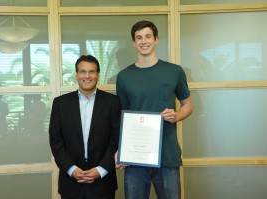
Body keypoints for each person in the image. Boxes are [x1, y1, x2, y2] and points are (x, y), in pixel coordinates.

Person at [116, 20, 193, 199]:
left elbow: (188, 104)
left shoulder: (174, 71)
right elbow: (121, 117)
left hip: (167, 155)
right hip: (135, 157)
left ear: (156, 39)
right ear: (134, 43)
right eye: (139, 38)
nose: (144, 41)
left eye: (148, 36)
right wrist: (120, 150)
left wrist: (177, 116)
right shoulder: (124, 77)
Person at [49, 55, 121, 199]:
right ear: (76, 75)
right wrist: (72, 169)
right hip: (71, 182)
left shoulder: (113, 102)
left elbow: (116, 139)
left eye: (91, 72)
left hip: (103, 182)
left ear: (98, 75)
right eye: (82, 71)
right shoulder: (60, 104)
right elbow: (56, 142)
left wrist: (100, 170)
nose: (87, 76)